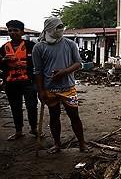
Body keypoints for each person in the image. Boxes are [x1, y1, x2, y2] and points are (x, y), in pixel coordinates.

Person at [32, 17, 88, 153]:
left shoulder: (69, 44)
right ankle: (57, 145)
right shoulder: (39, 47)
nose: (61, 30)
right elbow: (37, 71)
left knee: (74, 116)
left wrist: (65, 71)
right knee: (54, 117)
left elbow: (78, 63)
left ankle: (82, 144)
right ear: (49, 28)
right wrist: (40, 91)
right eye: (57, 27)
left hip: (68, 88)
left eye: (62, 27)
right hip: (50, 89)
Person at [0, 20, 38, 140]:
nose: (12, 33)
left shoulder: (31, 46)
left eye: (15, 30)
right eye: (10, 30)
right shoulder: (4, 48)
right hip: (11, 83)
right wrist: (4, 61)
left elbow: (38, 63)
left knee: (31, 105)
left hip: (28, 82)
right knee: (15, 107)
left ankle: (34, 129)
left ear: (22, 31)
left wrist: (26, 65)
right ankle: (18, 131)